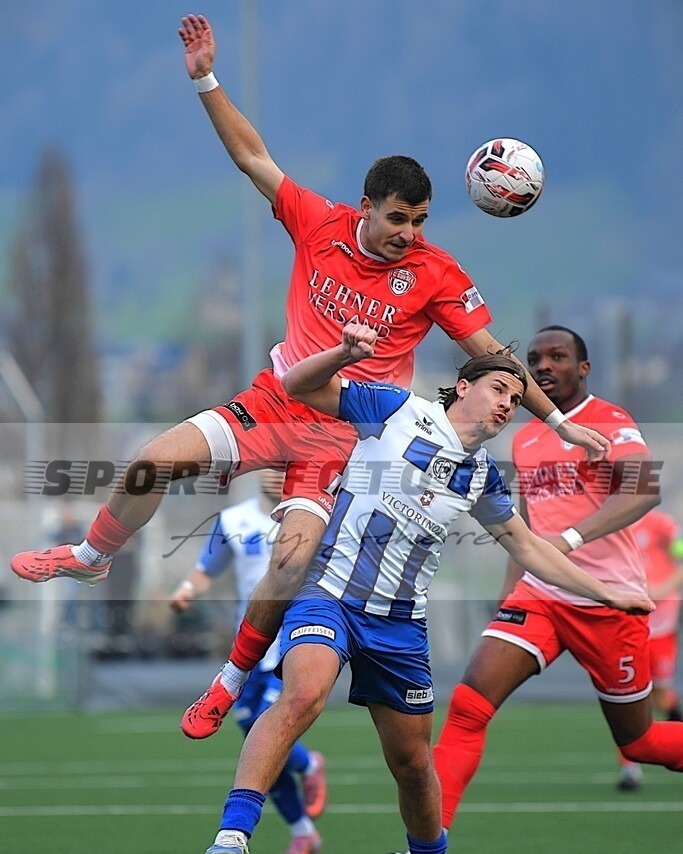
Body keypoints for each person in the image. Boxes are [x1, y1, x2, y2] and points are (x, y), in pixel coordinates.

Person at [11, 14, 609, 731]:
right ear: (365, 207)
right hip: (273, 403)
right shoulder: (316, 222)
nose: (408, 234)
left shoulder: (434, 274)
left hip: (345, 436)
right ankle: (90, 556)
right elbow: (251, 156)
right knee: (148, 463)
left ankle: (229, 681)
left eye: (418, 220)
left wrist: (558, 421)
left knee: (292, 560)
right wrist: (205, 77)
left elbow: (497, 356)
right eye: (397, 219)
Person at [198, 321, 651, 854]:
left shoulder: (482, 479)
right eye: (498, 389)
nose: (504, 404)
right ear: (461, 385)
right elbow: (297, 385)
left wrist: (607, 593)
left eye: (513, 401)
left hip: (399, 625)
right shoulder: (392, 410)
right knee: (302, 696)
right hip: (328, 594)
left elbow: (526, 547)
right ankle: (235, 831)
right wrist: (348, 353)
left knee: (413, 766)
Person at [347, 325, 683, 854]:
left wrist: (571, 540)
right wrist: (512, 595)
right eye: (533, 360)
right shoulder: (525, 439)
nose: (543, 367)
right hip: (538, 598)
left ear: (584, 368)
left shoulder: (607, 417)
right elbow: (522, 532)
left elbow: (644, 491)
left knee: (639, 742)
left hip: (608, 599)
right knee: (469, 708)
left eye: (558, 357)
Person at [170, 469, 327, 854]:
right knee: (255, 739)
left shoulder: (319, 514)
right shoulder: (233, 520)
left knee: (264, 727)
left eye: (287, 469)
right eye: (273, 468)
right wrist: (187, 591)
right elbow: (207, 568)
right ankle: (304, 827)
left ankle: (307, 767)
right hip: (253, 642)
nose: (279, 476)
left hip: (297, 638)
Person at [617, 506, 683, 790]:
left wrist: (663, 588)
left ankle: (675, 718)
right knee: (625, 695)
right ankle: (630, 771)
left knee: (660, 695)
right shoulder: (611, 525)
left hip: (662, 623)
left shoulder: (660, 524)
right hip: (626, 623)